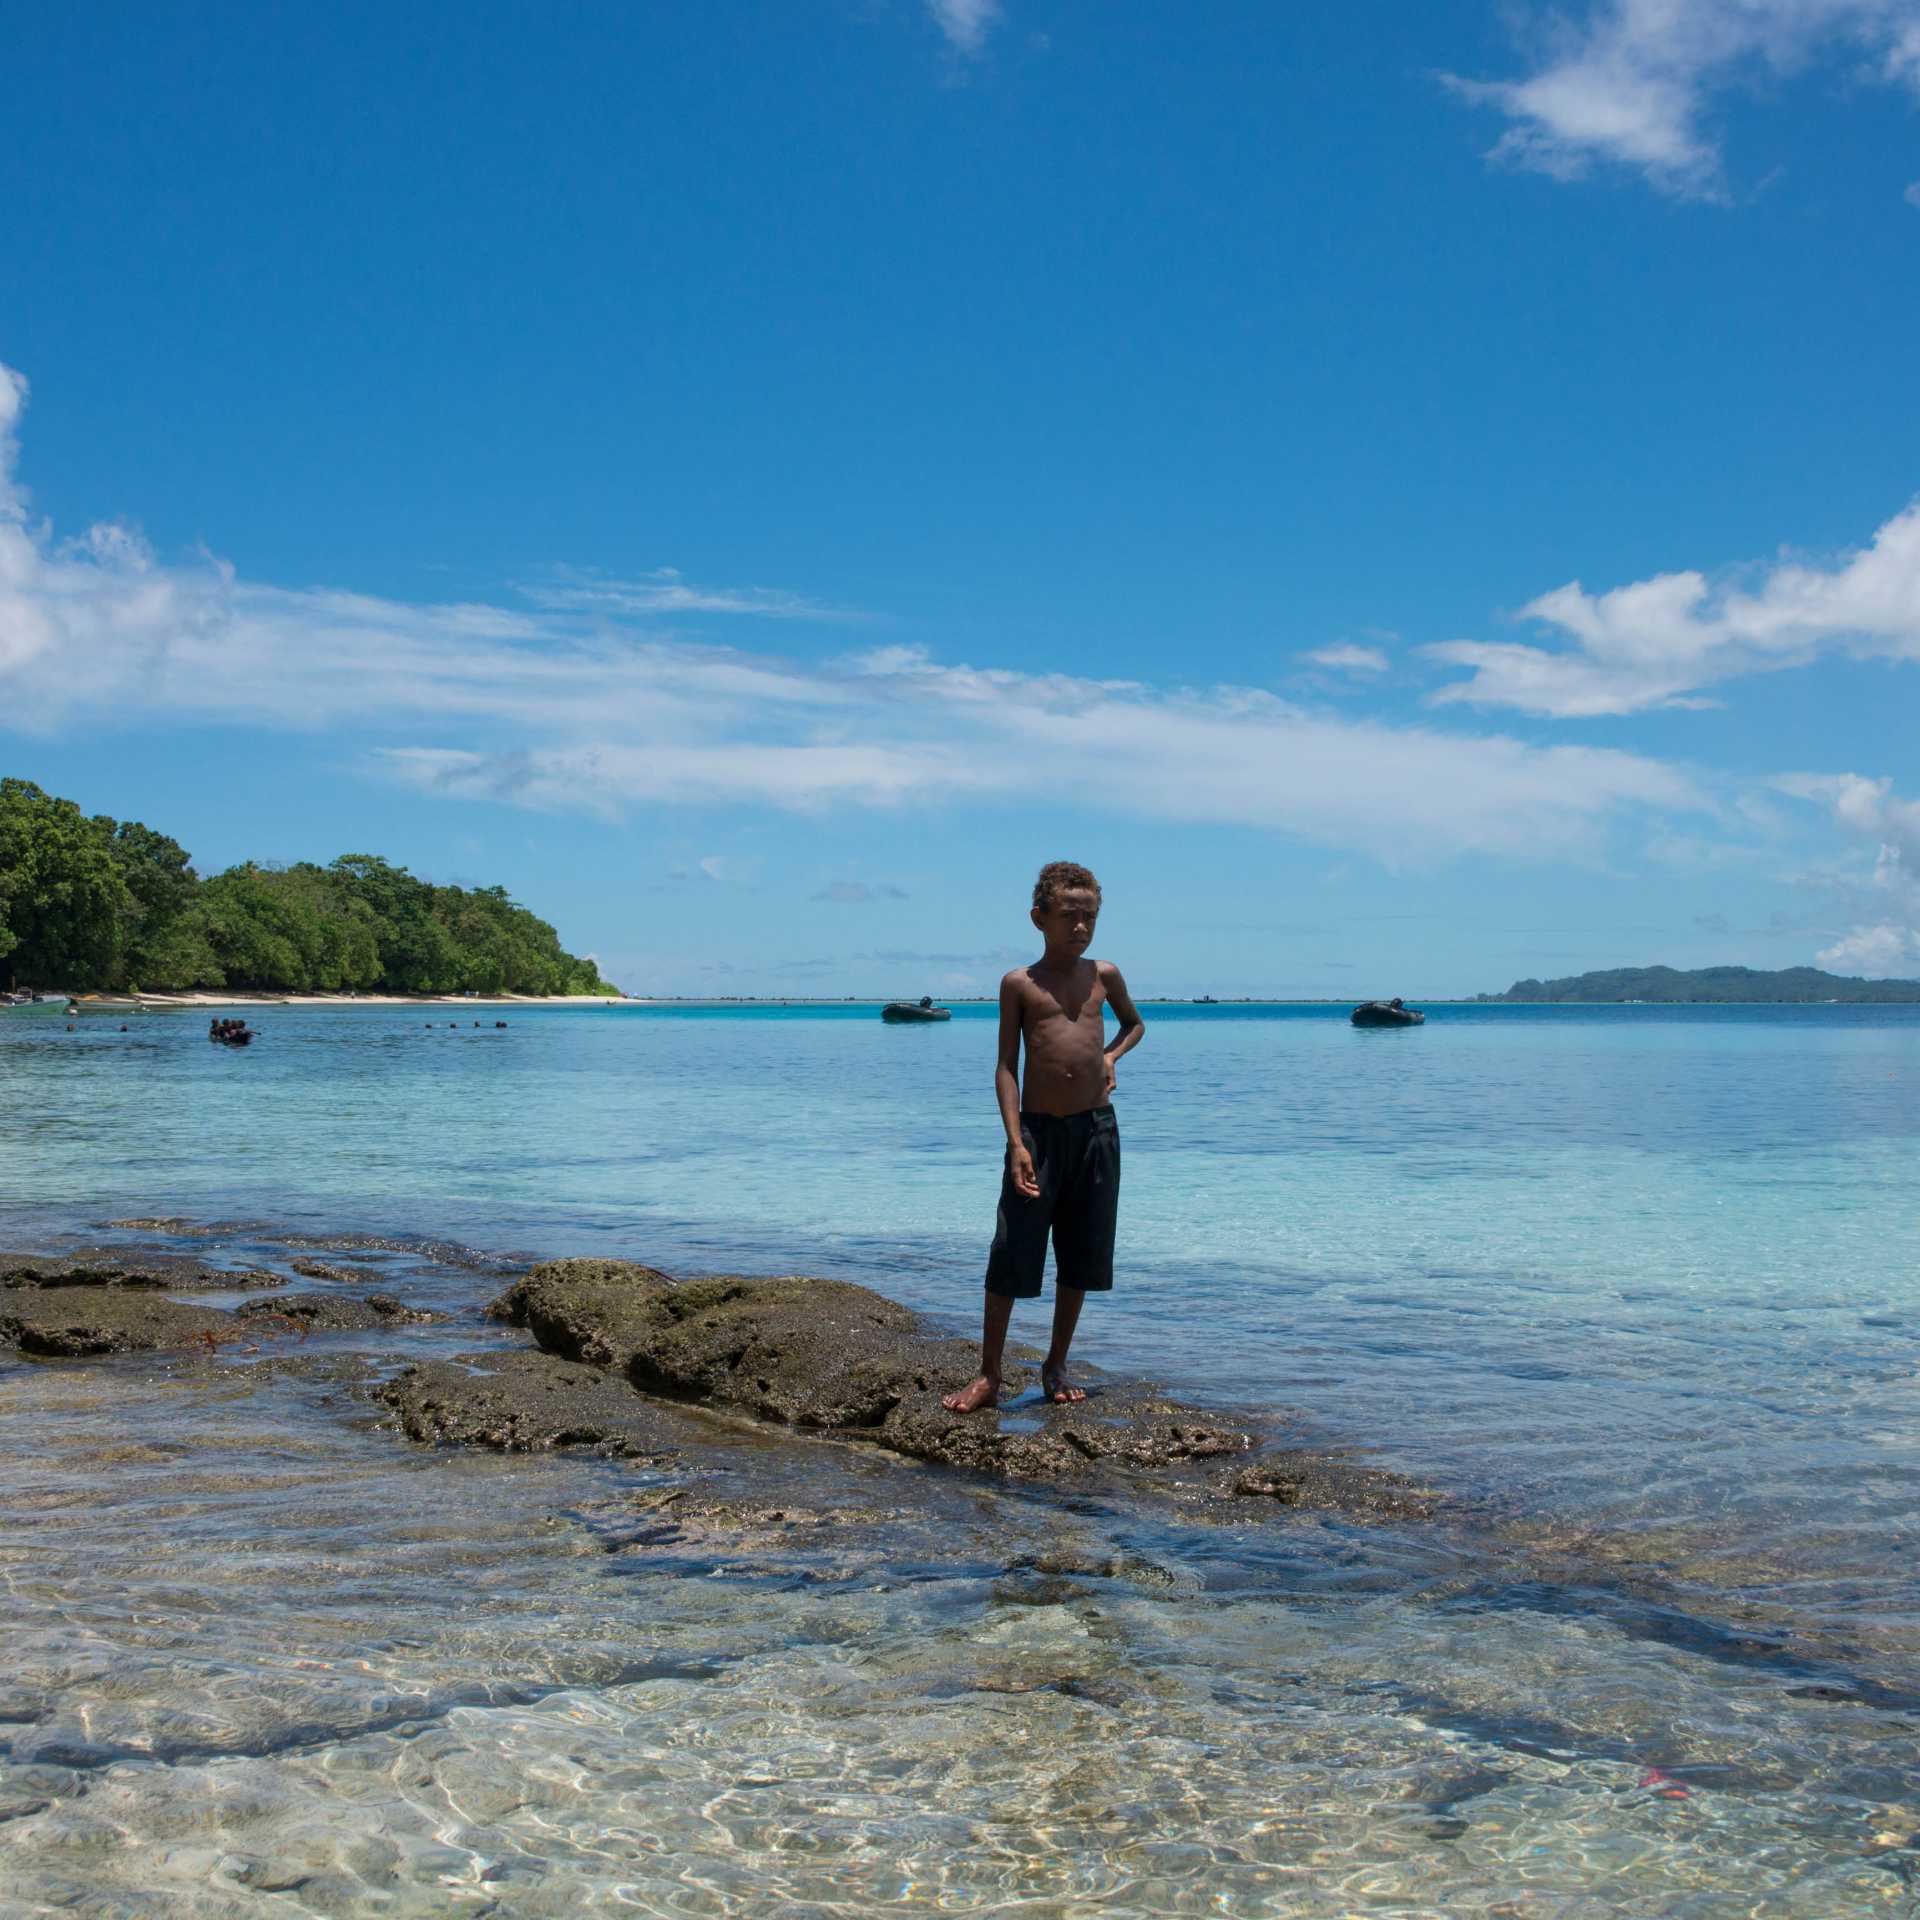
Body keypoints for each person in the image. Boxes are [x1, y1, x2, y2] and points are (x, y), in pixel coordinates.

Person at [943, 860, 1145, 1412]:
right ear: (1039, 918)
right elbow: (1006, 1067)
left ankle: (1054, 1364)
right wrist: (1016, 1143)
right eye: (1069, 916)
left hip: (1096, 1132)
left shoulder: (1104, 976)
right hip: (1037, 1133)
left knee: (1081, 1253)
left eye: (1090, 916)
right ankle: (988, 1375)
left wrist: (1110, 1056)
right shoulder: (1019, 985)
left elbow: (1135, 1024)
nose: (1081, 927)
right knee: (1013, 1248)